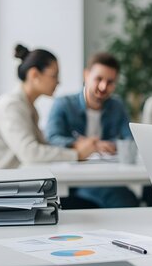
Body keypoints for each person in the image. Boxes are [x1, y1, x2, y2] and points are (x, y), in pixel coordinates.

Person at [0, 45, 97, 169]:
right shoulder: (11, 107)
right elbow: (30, 153)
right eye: (54, 76)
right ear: (34, 75)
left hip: (6, 181)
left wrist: (74, 145)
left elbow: (41, 146)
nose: (58, 82)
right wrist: (76, 154)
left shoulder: (27, 106)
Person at [46, 52, 138, 208]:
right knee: (124, 201)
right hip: (74, 178)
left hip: (107, 175)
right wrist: (84, 145)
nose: (103, 87)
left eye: (110, 82)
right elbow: (52, 138)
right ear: (86, 75)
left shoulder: (117, 106)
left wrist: (108, 145)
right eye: (99, 79)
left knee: (129, 200)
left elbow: (129, 140)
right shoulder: (63, 104)